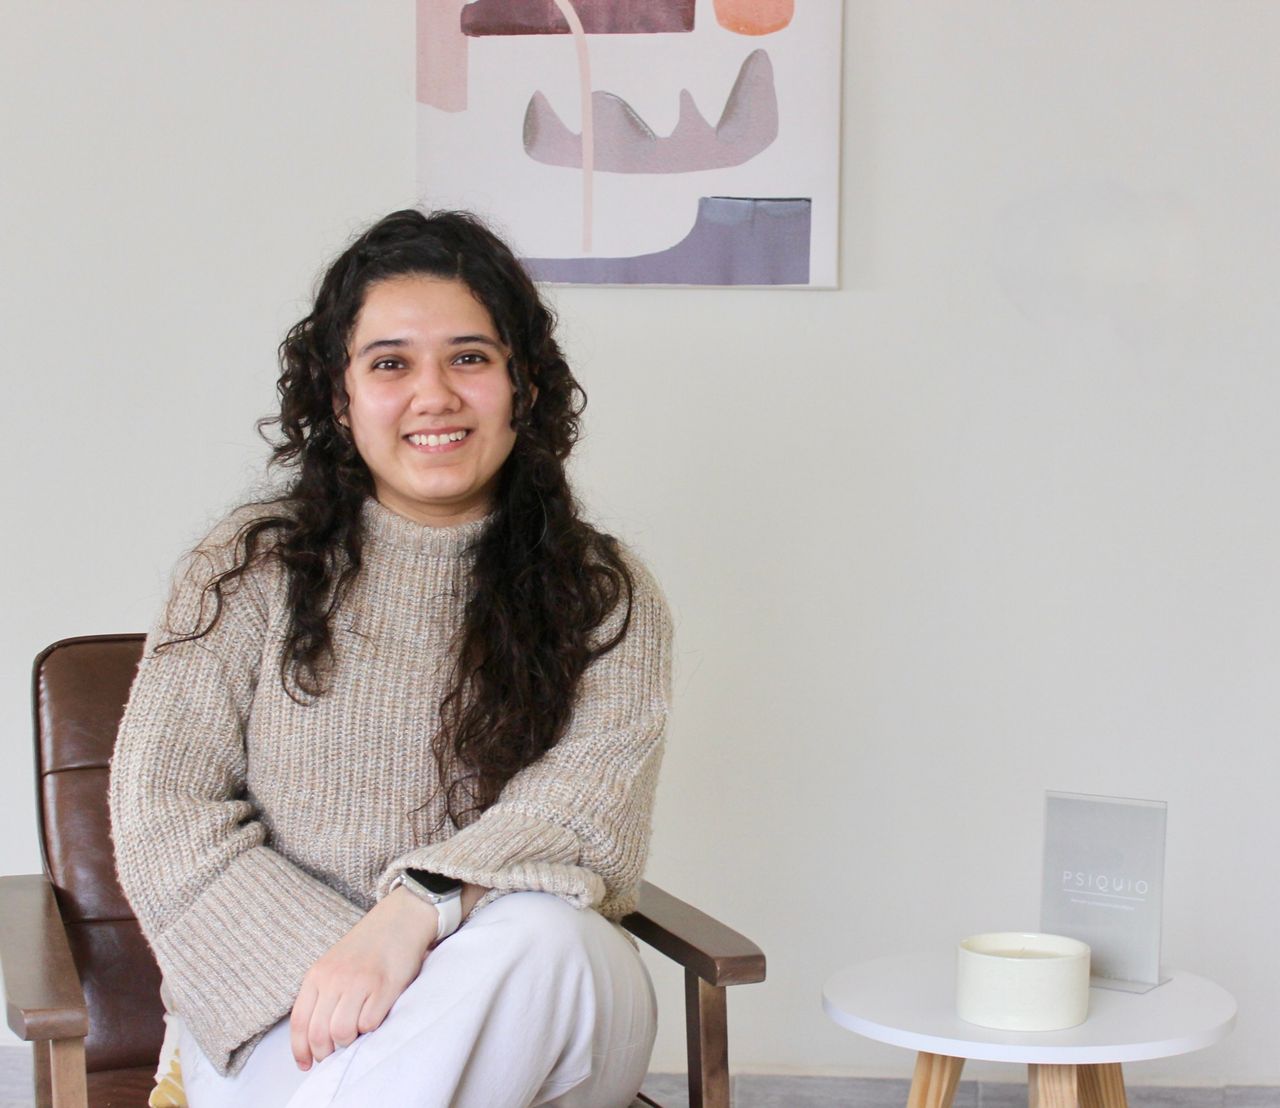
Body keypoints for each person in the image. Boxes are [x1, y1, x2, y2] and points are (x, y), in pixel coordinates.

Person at [109, 209, 673, 1108]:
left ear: (523, 385)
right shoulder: (248, 568)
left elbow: (586, 811)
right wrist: (351, 967)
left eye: (469, 357)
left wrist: (416, 914)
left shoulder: (602, 589)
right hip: (290, 1007)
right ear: (340, 399)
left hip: (536, 1003)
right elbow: (164, 814)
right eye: (389, 364)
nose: (434, 395)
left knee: (548, 939)